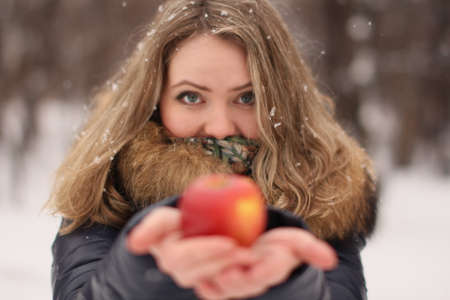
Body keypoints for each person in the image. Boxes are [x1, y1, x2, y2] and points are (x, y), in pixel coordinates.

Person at [47, 0, 378, 299]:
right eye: (191, 97)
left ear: (281, 101)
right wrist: (139, 279)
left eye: (247, 98)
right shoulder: (107, 187)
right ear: (153, 101)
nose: (220, 127)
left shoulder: (321, 187)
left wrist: (291, 285)